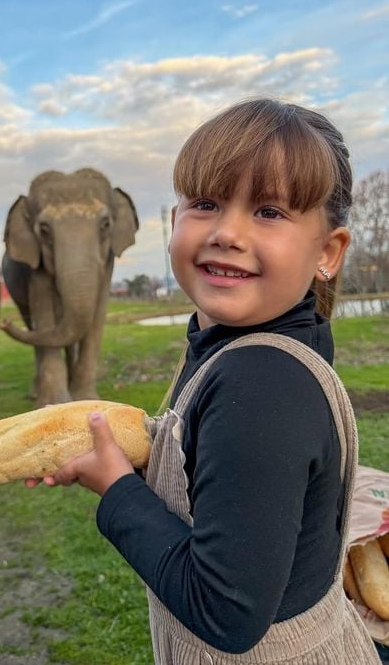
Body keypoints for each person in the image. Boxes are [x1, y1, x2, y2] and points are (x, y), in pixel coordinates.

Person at [28, 98, 381, 663]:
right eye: (206, 203)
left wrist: (117, 491)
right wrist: (141, 464)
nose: (227, 232)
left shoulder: (260, 384)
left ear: (328, 252)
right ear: (175, 223)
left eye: (269, 211)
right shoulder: (234, 352)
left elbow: (225, 611)